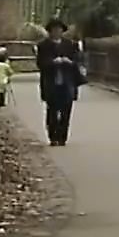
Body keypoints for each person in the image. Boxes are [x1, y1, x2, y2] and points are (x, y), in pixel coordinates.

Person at [35, 18, 86, 146]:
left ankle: (62, 136)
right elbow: (40, 63)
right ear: (50, 31)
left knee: (66, 110)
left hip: (67, 81)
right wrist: (52, 62)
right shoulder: (43, 46)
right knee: (52, 110)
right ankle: (53, 136)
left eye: (59, 30)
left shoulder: (70, 45)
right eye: (54, 30)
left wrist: (70, 62)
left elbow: (78, 61)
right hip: (51, 81)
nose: (57, 32)